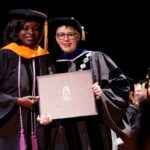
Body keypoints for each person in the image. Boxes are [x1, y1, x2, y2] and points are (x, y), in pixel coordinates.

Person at [38, 17, 130, 150]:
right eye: (61, 35)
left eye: (70, 34)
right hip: (64, 130)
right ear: (56, 39)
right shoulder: (51, 67)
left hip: (95, 127)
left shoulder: (96, 58)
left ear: (78, 37)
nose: (66, 39)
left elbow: (121, 87)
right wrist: (45, 115)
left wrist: (102, 93)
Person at [0, 9, 50, 150]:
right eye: (25, 28)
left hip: (40, 123)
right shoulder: (5, 56)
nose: (31, 33)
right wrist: (16, 101)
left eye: (36, 29)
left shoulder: (44, 57)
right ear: (15, 30)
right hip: (9, 124)